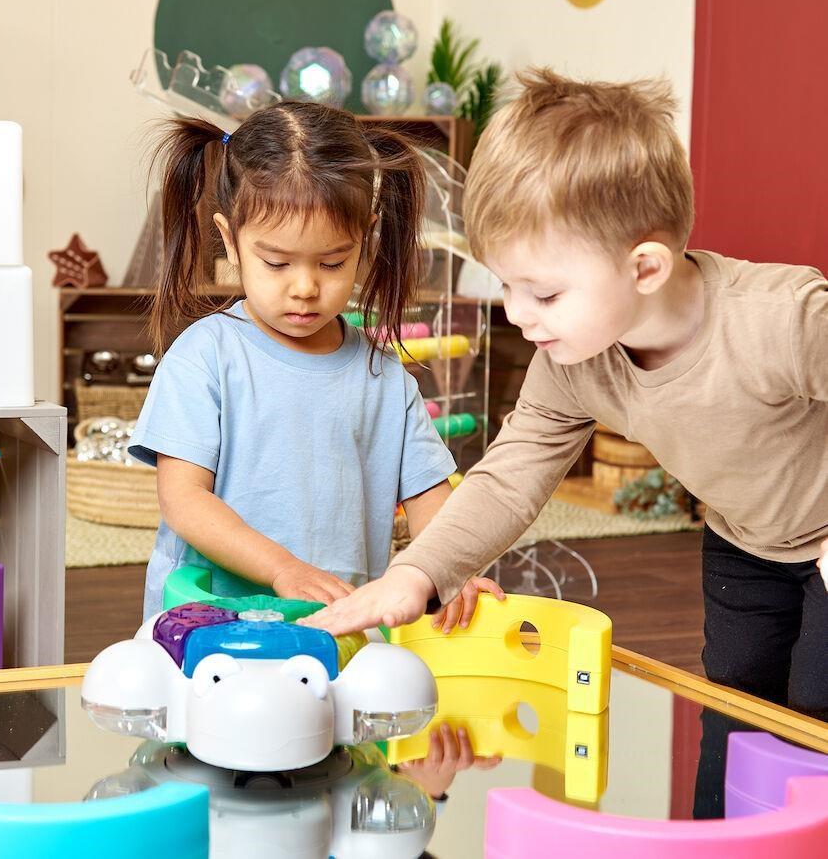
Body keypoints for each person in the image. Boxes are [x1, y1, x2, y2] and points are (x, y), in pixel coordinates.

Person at [300, 68, 828, 725]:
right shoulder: (573, 361)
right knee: (734, 706)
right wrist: (417, 574)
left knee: (816, 708)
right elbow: (511, 477)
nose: (517, 313)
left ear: (645, 268)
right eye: (507, 285)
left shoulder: (782, 320)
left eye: (544, 293)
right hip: (744, 542)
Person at [128, 100, 502, 623]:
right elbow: (183, 500)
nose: (305, 287)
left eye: (332, 262)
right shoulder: (205, 355)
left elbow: (428, 495)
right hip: (208, 625)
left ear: (365, 239)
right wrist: (281, 568)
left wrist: (451, 570)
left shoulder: (384, 377)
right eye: (276, 262)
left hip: (337, 624)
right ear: (230, 241)